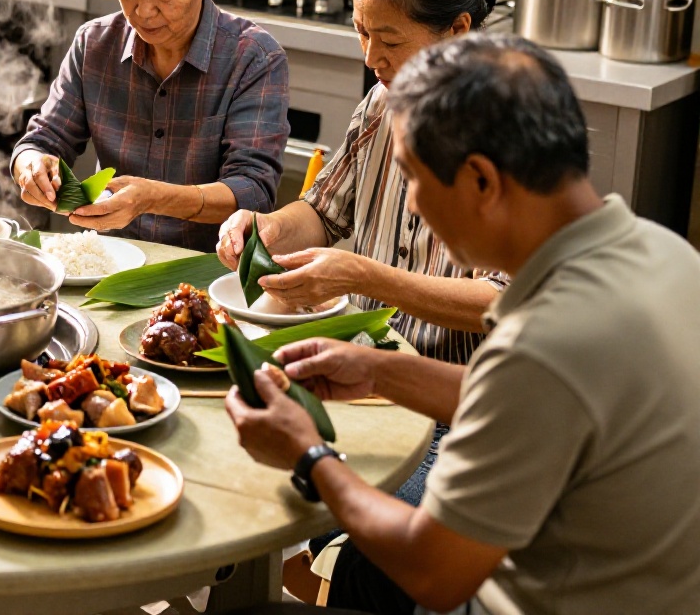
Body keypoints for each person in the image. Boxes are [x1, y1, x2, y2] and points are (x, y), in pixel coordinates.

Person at [226, 34, 700, 615]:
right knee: (359, 571)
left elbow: (434, 573)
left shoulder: (548, 341)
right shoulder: (666, 253)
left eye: (416, 179)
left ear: (481, 179)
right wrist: (381, 370)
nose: (416, 206)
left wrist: (307, 455)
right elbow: (534, 406)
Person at [218, 0, 505, 364]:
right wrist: (269, 228)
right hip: (369, 358)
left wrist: (367, 278)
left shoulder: (508, 132)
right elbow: (324, 211)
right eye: (361, 33)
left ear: (457, 29)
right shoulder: (382, 102)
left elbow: (504, 303)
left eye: (391, 41)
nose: (371, 59)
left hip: (453, 392)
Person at [12, 0, 289, 250]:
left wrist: (155, 198)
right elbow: (42, 141)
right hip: (106, 261)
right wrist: (31, 166)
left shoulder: (253, 57)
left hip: (203, 275)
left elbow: (253, 191)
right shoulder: (94, 43)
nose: (142, 10)